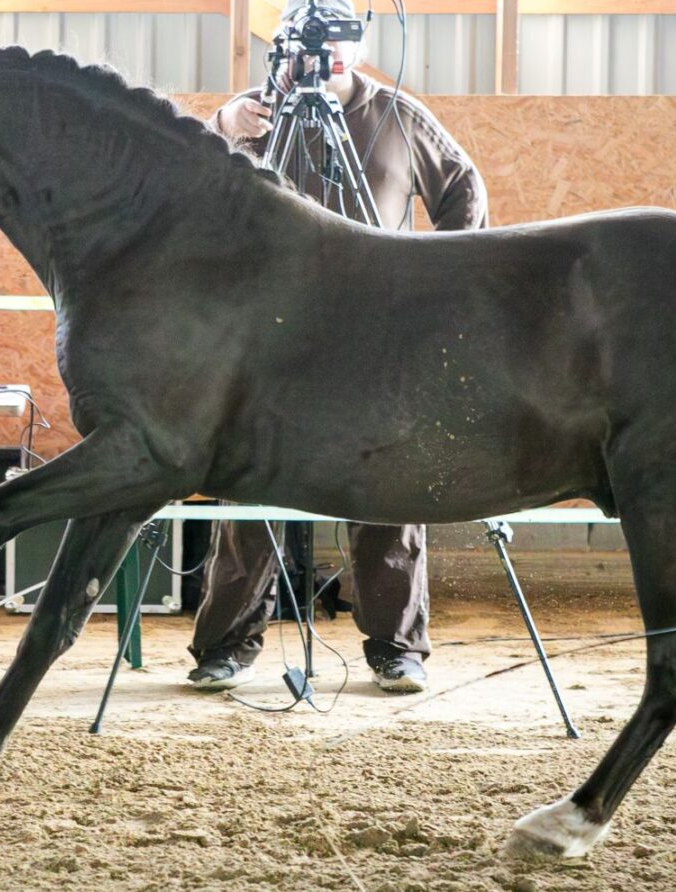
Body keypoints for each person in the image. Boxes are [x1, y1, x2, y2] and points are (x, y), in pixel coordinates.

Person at [189, 0, 488, 695]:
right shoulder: (254, 115)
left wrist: (440, 274)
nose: (301, 72)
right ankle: (226, 646)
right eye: (290, 58)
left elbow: (464, 187)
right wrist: (224, 128)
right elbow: (195, 196)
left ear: (350, 54)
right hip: (271, 338)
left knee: (388, 486)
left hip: (376, 336)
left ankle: (395, 647)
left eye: (315, 58)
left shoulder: (396, 116)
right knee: (249, 490)